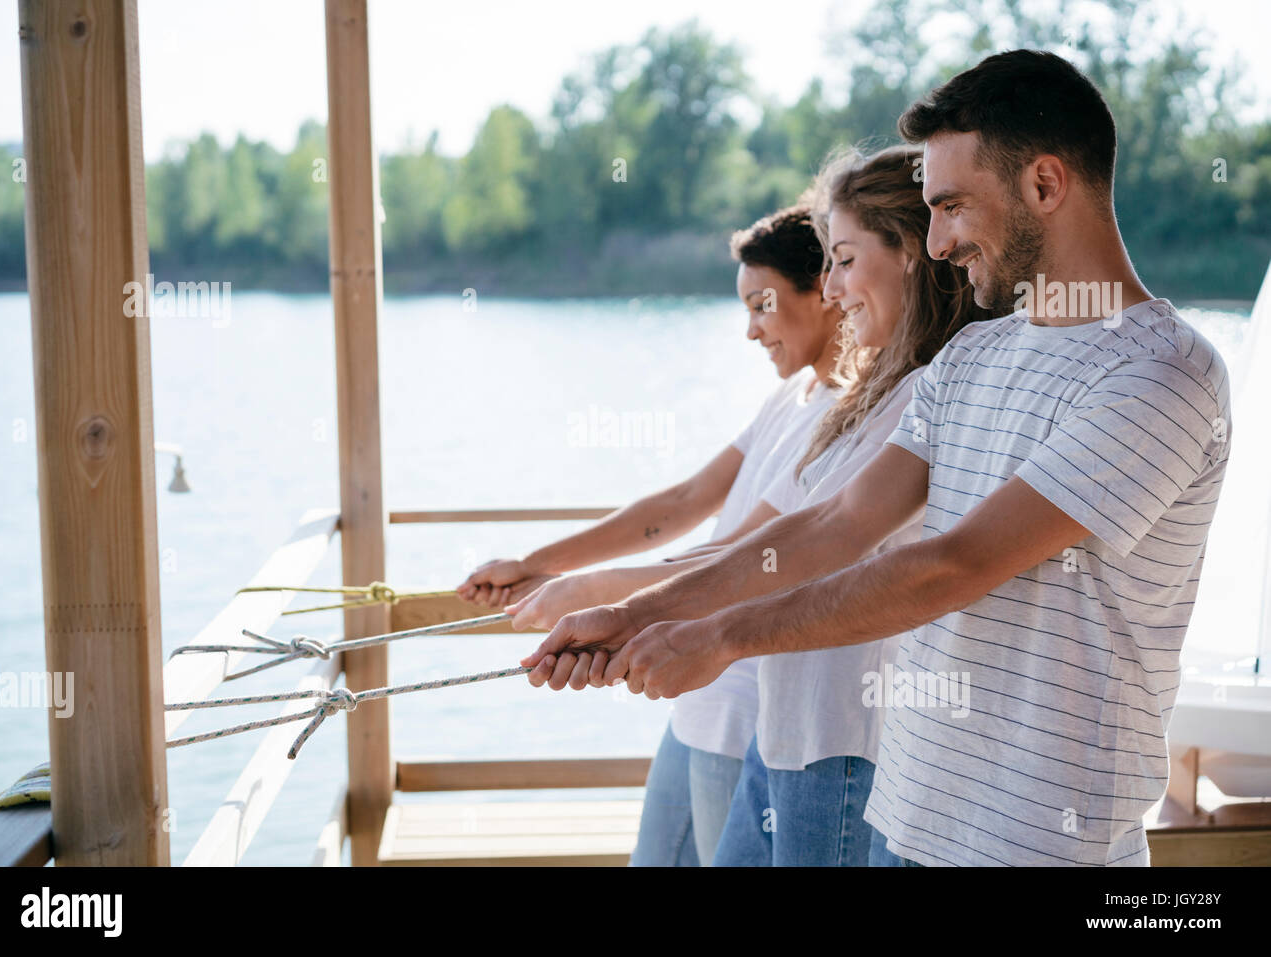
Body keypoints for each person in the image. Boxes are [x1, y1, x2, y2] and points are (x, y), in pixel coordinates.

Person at [522, 49, 1233, 868]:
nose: (936, 244)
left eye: (953, 206)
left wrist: (721, 636)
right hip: (909, 824)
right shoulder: (970, 360)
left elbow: (953, 564)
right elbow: (837, 521)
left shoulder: (1160, 373)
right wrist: (643, 611)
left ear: (1045, 184)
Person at [511, 146, 993, 866]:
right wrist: (613, 604)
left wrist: (638, 609)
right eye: (828, 263)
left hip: (841, 743)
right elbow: (764, 532)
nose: (832, 289)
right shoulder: (867, 396)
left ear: (913, 255)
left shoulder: (926, 394)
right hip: (791, 728)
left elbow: (828, 535)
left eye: (845, 260)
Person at [458, 205, 846, 865]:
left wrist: (586, 593)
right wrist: (536, 564)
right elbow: (684, 501)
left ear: (825, 291)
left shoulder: (843, 419)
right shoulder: (793, 396)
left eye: (763, 305)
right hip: (694, 702)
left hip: (743, 711)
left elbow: (735, 556)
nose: (750, 330)